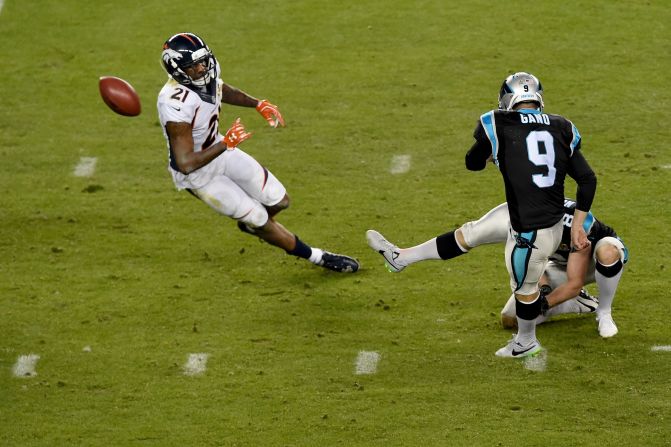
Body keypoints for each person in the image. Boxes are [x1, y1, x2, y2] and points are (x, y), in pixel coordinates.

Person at [157, 32, 358, 273]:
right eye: (194, 66)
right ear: (177, 70)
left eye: (204, 61)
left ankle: (255, 226)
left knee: (279, 200)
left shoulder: (205, 73)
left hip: (221, 149)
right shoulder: (174, 102)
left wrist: (256, 103)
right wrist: (226, 144)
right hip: (198, 175)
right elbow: (185, 163)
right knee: (260, 218)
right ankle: (318, 257)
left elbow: (220, 89)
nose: (202, 68)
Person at [466, 72, 598, 358]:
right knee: (516, 305)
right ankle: (572, 300)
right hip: (554, 227)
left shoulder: (499, 124)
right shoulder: (561, 126)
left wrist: (490, 153)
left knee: (524, 288)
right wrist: (578, 224)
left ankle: (531, 336)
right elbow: (587, 179)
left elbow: (472, 163)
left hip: (545, 233)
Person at [367, 198, 627, 337]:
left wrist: (543, 304)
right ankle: (401, 257)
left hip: (593, 262)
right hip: (558, 264)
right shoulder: (519, 215)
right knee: (511, 318)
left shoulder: (574, 225)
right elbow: (465, 237)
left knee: (607, 252)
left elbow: (574, 282)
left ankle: (603, 312)